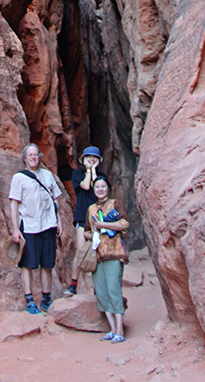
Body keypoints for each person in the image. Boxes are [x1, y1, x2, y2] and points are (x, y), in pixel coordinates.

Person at [9, 143, 66, 314]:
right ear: (25, 159)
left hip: (48, 225)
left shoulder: (48, 175)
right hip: (29, 226)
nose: (33, 157)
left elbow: (55, 201)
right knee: (27, 264)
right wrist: (15, 229)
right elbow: (14, 204)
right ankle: (29, 301)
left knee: (47, 264)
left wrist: (59, 222)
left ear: (40, 157)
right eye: (30, 155)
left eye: (36, 155)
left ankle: (46, 300)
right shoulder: (18, 178)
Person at [85, 176, 129, 343]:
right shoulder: (90, 209)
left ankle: (120, 330)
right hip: (98, 256)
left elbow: (124, 224)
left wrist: (104, 226)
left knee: (114, 290)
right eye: (97, 187)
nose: (100, 189)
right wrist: (94, 235)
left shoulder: (115, 204)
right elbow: (86, 231)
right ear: (94, 190)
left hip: (115, 253)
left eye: (103, 186)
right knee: (102, 293)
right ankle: (112, 329)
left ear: (108, 188)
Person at [64, 146, 106, 297]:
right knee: (81, 251)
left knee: (99, 252)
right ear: (83, 159)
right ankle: (73, 285)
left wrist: (94, 171)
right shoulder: (77, 174)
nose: (91, 159)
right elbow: (86, 186)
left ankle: (98, 286)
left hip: (98, 218)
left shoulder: (102, 176)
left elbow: (98, 190)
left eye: (94, 157)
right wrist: (89, 171)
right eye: (88, 157)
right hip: (82, 216)